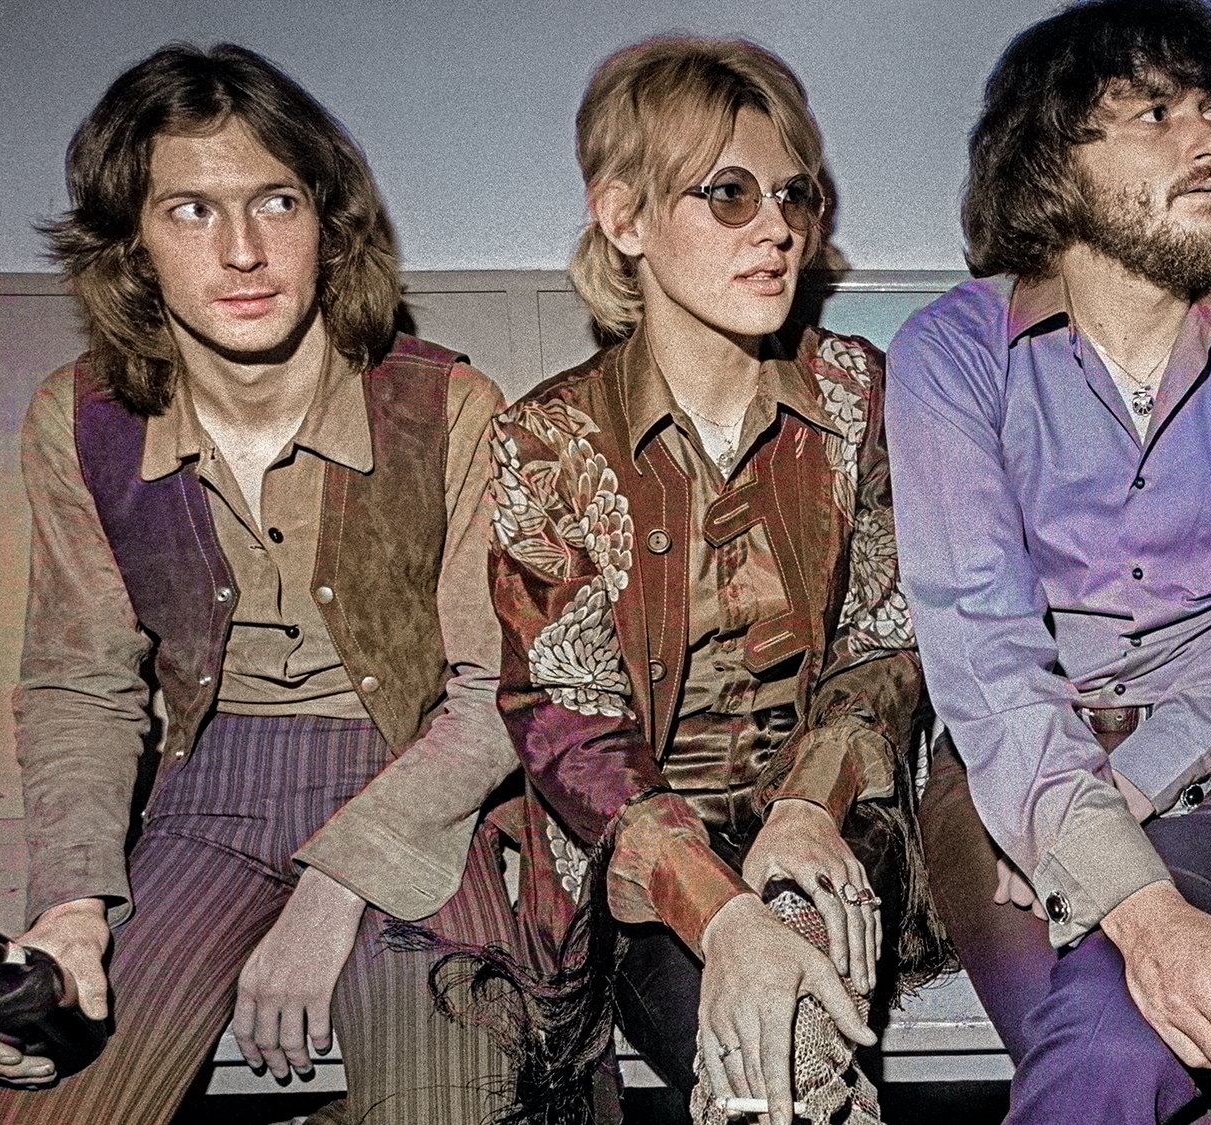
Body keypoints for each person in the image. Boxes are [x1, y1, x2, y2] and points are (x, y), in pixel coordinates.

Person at [0, 43, 520, 1124]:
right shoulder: (79, 419)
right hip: (204, 794)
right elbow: (79, 686)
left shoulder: (449, 406)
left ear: (328, 223)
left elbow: (495, 694)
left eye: (275, 201)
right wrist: (71, 904)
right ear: (133, 245)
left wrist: (335, 889)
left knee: (450, 1110)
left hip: (419, 789)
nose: (242, 250)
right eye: (189, 211)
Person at [886, 1, 1211, 1120]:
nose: (1210, 143)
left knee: (1109, 1043)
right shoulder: (950, 357)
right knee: (1125, 1045)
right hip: (1005, 781)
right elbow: (986, 657)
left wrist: (1127, 794)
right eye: (1155, 114)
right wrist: (1126, 892)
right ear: (1052, 162)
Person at [478, 36, 933, 1125]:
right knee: (759, 1053)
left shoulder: (854, 392)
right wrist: (718, 910)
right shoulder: (547, 437)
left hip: (824, 820)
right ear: (624, 217)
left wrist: (807, 807)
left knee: (797, 1036)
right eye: (725, 194)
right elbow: (564, 720)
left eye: (792, 194)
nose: (775, 227)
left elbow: (885, 639)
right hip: (639, 853)